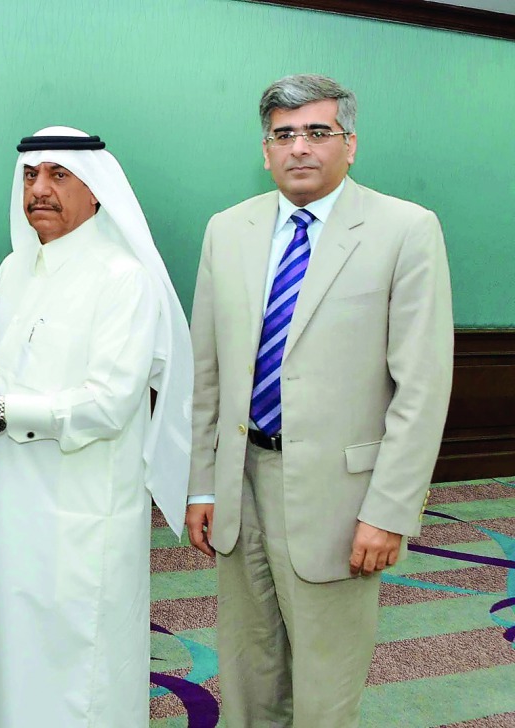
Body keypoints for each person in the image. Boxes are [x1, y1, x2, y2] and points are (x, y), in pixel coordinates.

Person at [185, 74, 453, 727]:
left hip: (343, 496)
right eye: (284, 134)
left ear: (350, 144)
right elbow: (208, 373)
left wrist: (389, 510)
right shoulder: (228, 229)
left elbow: (421, 387)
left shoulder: (405, 230)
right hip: (239, 481)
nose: (299, 148)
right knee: (249, 672)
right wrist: (200, 486)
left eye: (317, 132)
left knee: (326, 689)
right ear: (266, 148)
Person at [0, 127, 194, 726]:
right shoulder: (16, 269)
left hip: (77, 508)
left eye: (58, 175)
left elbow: (108, 405)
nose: (39, 190)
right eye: (29, 176)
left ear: (98, 191)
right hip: (3, 494)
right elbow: (13, 377)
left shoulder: (123, 278)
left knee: (72, 666)